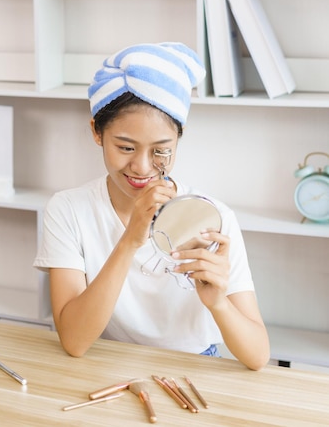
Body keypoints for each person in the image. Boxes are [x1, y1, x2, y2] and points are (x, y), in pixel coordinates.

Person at [34, 42, 270, 370]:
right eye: (126, 147)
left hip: (193, 367)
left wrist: (219, 304)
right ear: (96, 132)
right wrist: (131, 239)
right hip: (107, 365)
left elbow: (258, 356)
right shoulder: (69, 210)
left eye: (161, 150)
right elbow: (74, 341)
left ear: (179, 138)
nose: (143, 167)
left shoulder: (214, 217)